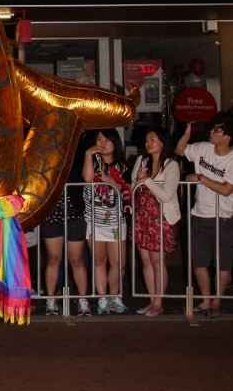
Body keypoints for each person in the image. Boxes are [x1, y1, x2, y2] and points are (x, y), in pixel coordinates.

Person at [174, 114, 233, 318]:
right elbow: (180, 150)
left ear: (228, 137)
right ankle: (206, 300)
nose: (212, 132)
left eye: (218, 130)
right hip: (199, 213)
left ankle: (217, 300)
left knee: (223, 262)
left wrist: (200, 177)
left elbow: (226, 190)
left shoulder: (232, 159)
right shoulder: (203, 148)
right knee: (199, 260)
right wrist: (186, 135)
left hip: (223, 215)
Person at [131, 128, 181, 316]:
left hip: (160, 217)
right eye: (146, 140)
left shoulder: (171, 165)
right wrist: (139, 180)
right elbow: (133, 187)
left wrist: (147, 180)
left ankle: (159, 302)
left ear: (162, 142)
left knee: (157, 260)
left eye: (152, 139)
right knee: (145, 260)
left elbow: (167, 195)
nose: (148, 143)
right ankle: (152, 300)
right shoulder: (141, 161)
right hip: (142, 216)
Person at [82, 128, 133, 315]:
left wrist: (112, 182)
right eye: (98, 139)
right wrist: (88, 154)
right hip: (94, 221)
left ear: (115, 143)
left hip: (115, 222)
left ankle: (115, 296)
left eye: (106, 139)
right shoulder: (92, 162)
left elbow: (127, 190)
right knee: (99, 260)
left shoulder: (123, 167)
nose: (102, 143)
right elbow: (87, 179)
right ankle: (102, 298)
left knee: (118, 262)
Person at [41, 174, 91, 317]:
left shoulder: (74, 158)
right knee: (53, 259)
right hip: (51, 217)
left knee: (76, 260)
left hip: (74, 215)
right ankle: (51, 300)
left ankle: (83, 299)